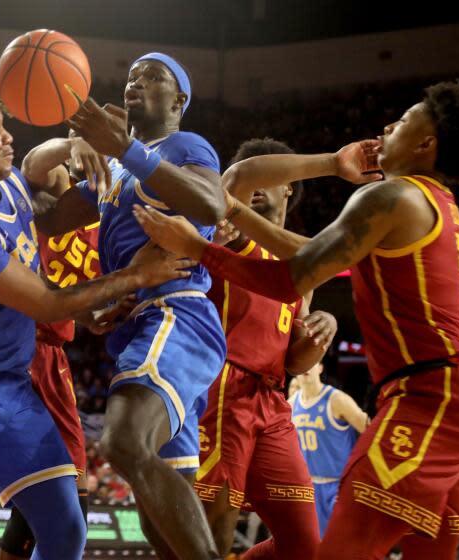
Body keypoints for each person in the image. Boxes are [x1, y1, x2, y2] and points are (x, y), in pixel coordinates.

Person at [133, 80, 459, 559]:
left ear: (426, 144)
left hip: (428, 397)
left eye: (403, 121)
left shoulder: (391, 196)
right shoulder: (433, 203)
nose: (388, 126)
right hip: (451, 396)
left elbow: (293, 276)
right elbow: (307, 252)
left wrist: (199, 247)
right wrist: (233, 215)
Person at [0, 72, 194, 560]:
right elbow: (47, 304)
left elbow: (35, 163)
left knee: (66, 530)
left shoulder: (6, 185)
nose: (7, 135)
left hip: (11, 389)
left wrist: (71, 144)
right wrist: (138, 276)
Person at [27, 52, 227, 559]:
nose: (136, 81)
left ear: (179, 100)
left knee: (121, 442)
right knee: (158, 525)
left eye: (153, 76)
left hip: (179, 314)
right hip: (139, 320)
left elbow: (211, 205)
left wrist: (126, 147)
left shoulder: (185, 145)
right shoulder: (114, 165)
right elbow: (49, 220)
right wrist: (2, 181)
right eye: (132, 75)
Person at [194, 138, 337, 560]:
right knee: (211, 533)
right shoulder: (230, 225)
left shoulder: (300, 268)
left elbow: (295, 360)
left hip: (272, 402)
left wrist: (321, 331)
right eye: (250, 171)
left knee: (303, 547)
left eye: (269, 176)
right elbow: (237, 179)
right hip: (222, 388)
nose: (256, 181)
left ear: (288, 185)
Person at [0, 134, 103, 560]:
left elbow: (89, 311)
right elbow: (35, 165)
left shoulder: (104, 219)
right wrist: (71, 142)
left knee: (61, 506)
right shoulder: (42, 205)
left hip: (53, 356)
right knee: (61, 502)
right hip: (20, 346)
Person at [290, 361, 368, 536]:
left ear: (320, 368)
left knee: (342, 547)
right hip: (307, 488)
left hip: (338, 487)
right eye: (302, 364)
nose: (306, 367)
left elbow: (370, 431)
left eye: (312, 362)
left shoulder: (336, 399)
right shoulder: (291, 404)